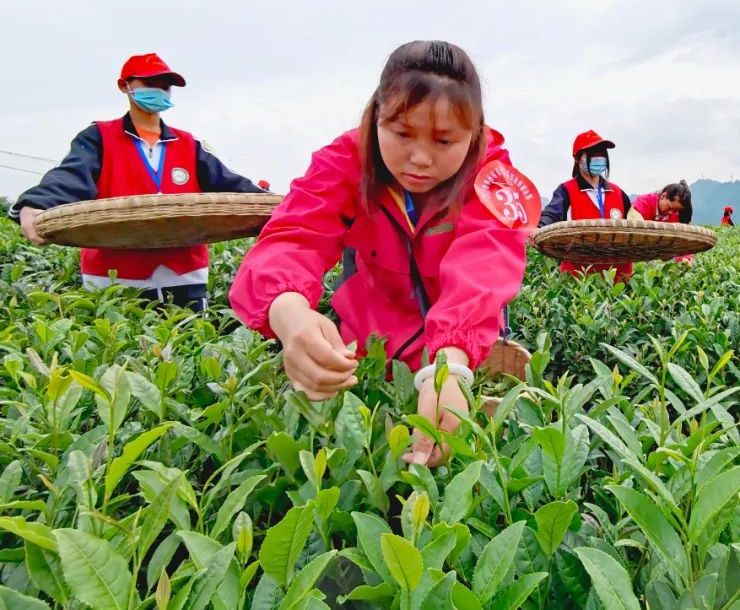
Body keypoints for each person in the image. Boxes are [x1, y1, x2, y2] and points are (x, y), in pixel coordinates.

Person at [229, 40, 539, 468]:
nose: (419, 158)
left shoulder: (492, 177)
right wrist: (289, 313)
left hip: (461, 348)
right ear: (378, 117)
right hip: (368, 347)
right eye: (402, 133)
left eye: (445, 140)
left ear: (475, 132)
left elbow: (483, 264)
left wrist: (450, 367)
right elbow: (295, 235)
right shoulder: (346, 161)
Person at [9, 53, 265, 310]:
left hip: (184, 273)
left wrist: (275, 207)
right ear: (125, 86)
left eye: (165, 86)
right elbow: (70, 177)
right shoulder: (99, 137)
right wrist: (34, 204)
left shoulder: (188, 144)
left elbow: (232, 186)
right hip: (113, 276)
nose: (159, 92)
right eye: (150, 83)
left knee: (188, 344)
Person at [536, 130, 638, 280]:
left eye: (602, 153)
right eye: (593, 153)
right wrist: (538, 229)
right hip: (580, 279)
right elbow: (552, 214)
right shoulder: (566, 191)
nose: (599, 158)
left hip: (619, 278)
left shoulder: (618, 193)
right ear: (578, 158)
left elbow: (636, 223)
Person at [632, 180, 694, 263]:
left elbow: (681, 239)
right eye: (670, 207)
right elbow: (633, 230)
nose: (671, 212)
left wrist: (685, 258)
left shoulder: (674, 216)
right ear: (663, 196)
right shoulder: (643, 203)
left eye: (675, 210)